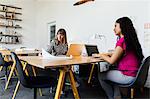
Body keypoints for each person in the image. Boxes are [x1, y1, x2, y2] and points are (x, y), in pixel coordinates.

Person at [95, 17, 144, 99]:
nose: (113, 29)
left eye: (115, 26)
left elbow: (111, 61)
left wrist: (101, 55)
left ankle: (112, 97)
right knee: (113, 71)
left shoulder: (122, 41)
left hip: (128, 76)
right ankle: (117, 96)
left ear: (122, 27)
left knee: (101, 75)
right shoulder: (129, 40)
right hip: (136, 75)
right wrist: (110, 54)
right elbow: (121, 52)